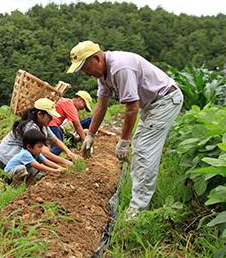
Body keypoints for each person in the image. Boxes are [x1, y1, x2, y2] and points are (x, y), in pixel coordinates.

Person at [67, 40, 183, 219]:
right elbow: (101, 106)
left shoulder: (120, 68)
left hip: (164, 101)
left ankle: (137, 210)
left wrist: (123, 141)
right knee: (140, 146)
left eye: (85, 67)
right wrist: (90, 134)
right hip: (152, 104)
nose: (85, 73)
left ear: (97, 58)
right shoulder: (102, 75)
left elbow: (131, 108)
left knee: (144, 149)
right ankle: (139, 194)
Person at [0, 98, 78, 169]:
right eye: (49, 116)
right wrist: (64, 161)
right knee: (38, 173)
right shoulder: (30, 127)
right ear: (40, 114)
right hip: (6, 157)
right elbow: (42, 151)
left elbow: (55, 141)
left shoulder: (43, 125)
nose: (51, 119)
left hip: (20, 156)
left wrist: (69, 153)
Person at [48, 90, 93, 155]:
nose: (83, 108)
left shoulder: (65, 101)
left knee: (60, 141)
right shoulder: (70, 105)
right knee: (58, 147)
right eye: (84, 105)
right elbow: (78, 126)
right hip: (51, 125)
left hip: (53, 125)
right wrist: (86, 142)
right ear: (80, 99)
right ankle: (45, 159)